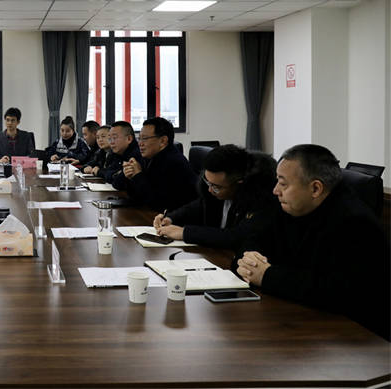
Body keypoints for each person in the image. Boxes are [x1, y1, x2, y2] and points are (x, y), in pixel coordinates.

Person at [235, 144, 390, 341]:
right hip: (299, 320)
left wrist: (266, 276)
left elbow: (335, 292)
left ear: (315, 188)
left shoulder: (355, 224)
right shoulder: (293, 206)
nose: (275, 191)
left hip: (352, 338)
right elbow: (252, 239)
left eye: (283, 184)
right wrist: (249, 259)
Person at [153, 145, 278, 250]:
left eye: (216, 187)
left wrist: (184, 233)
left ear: (239, 182)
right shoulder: (213, 190)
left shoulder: (261, 199)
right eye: (207, 182)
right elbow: (200, 205)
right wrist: (171, 218)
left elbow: (237, 237)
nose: (210, 189)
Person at [116, 117, 196, 210]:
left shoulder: (174, 162)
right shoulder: (151, 157)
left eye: (144, 138)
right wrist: (131, 177)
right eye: (139, 138)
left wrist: (138, 176)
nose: (140, 143)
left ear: (163, 141)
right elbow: (138, 196)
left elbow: (156, 203)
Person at [101, 121, 143, 185]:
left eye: (114, 138)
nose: (111, 142)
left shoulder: (137, 154)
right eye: (109, 139)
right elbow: (106, 172)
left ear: (129, 139)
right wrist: (116, 174)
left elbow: (118, 183)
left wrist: (115, 176)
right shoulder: (117, 153)